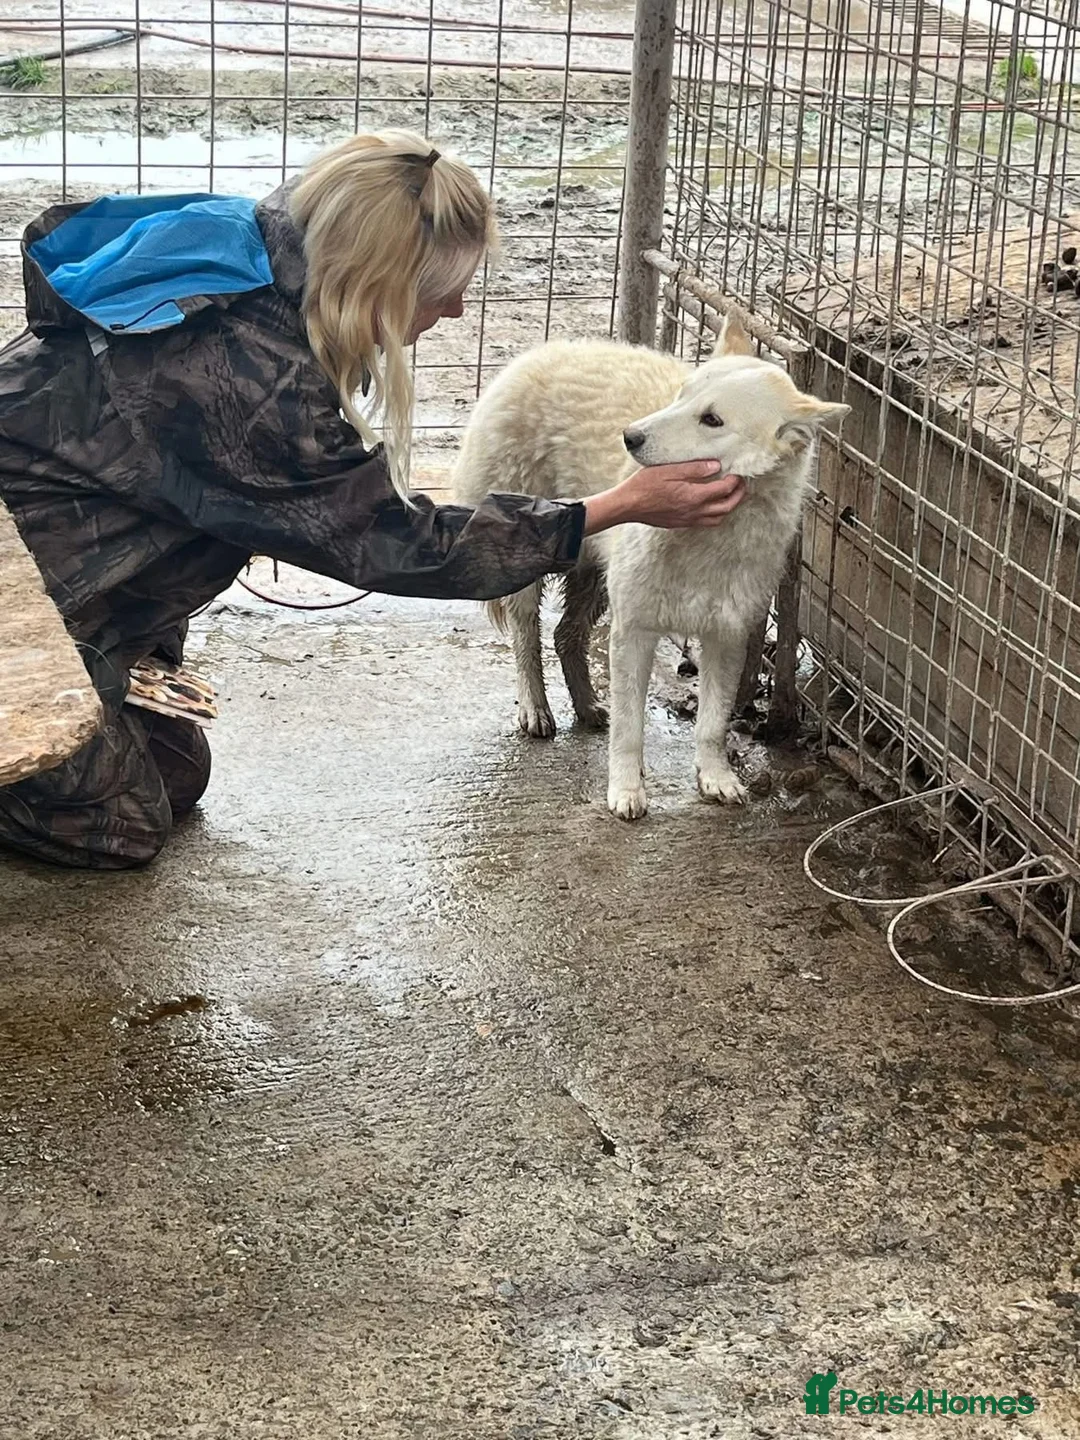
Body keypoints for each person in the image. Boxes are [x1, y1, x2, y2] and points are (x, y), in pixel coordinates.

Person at [0, 129, 746, 871]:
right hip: (21, 604)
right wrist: (611, 507)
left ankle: (106, 663)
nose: (456, 309)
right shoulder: (249, 374)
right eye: (441, 288)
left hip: (65, 579)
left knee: (176, 773)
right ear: (379, 275)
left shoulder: (261, 251)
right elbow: (393, 541)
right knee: (123, 827)